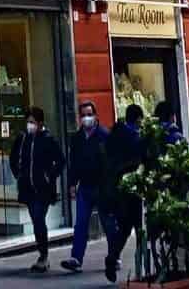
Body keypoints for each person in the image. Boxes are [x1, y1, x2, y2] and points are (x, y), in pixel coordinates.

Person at [61, 101, 115, 274]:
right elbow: (73, 163)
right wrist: (71, 184)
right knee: (81, 224)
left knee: (108, 223)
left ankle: (115, 255)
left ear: (95, 115)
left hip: (102, 187)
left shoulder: (104, 135)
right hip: (84, 187)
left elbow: (112, 162)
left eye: (89, 114)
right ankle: (76, 258)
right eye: (83, 115)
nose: (86, 118)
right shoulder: (77, 139)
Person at [10, 106, 66, 273]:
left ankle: (43, 256)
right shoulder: (23, 139)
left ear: (40, 123)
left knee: (38, 217)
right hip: (28, 187)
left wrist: (50, 176)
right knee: (36, 220)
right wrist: (18, 174)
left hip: (43, 188)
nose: (30, 125)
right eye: (28, 122)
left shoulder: (48, 139)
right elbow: (13, 158)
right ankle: (42, 254)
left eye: (32, 122)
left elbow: (61, 161)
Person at [103, 104, 145, 284]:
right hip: (132, 189)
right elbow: (138, 160)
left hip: (115, 189)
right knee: (138, 228)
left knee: (124, 229)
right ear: (137, 120)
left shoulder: (114, 134)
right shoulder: (134, 138)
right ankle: (142, 268)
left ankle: (112, 258)